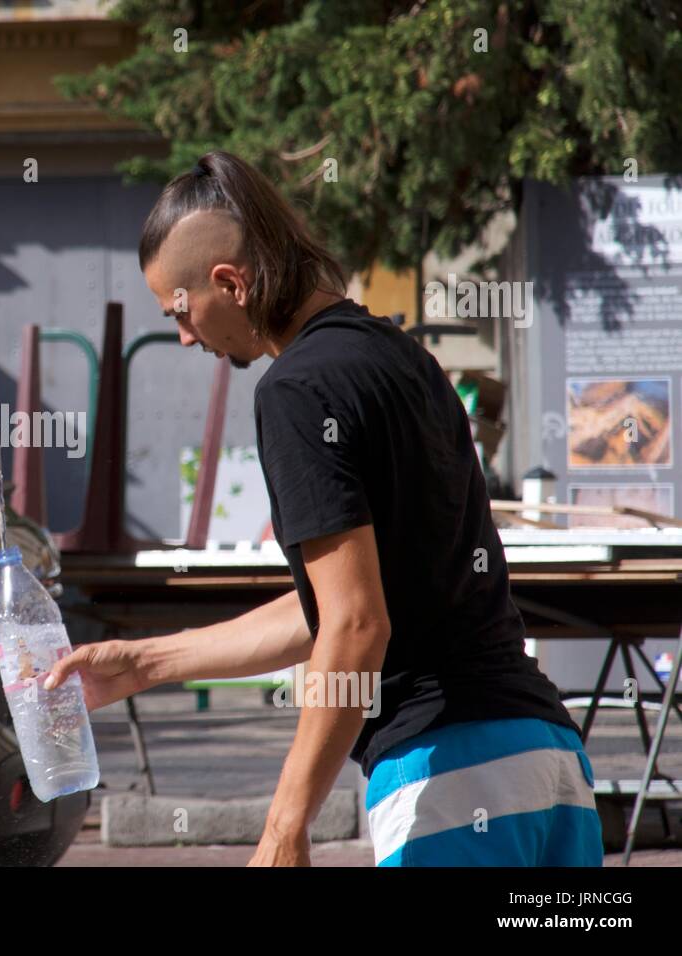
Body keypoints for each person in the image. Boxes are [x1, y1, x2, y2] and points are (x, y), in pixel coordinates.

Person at [42, 150, 602, 868]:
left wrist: (284, 825)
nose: (184, 336)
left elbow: (357, 626)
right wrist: (145, 663)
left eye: (180, 312)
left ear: (230, 282)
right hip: (546, 758)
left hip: (450, 778)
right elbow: (343, 604)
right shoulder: (404, 357)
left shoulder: (297, 392)